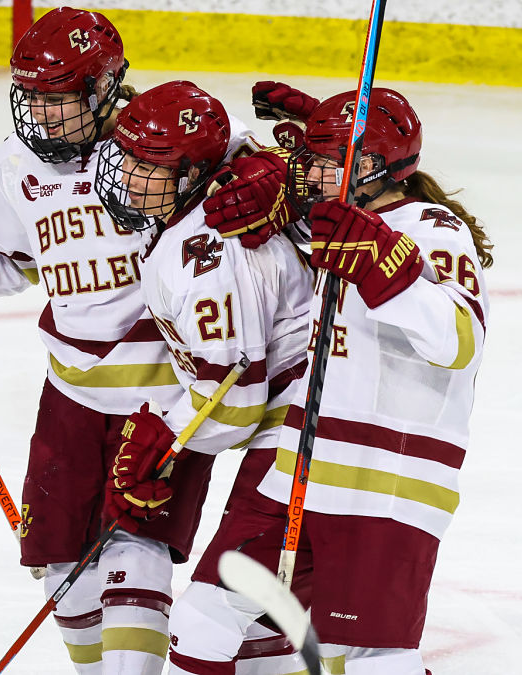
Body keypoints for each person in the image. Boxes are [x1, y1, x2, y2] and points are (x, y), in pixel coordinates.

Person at [0, 8, 288, 674]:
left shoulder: (159, 141)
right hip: (71, 398)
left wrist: (272, 181)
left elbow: (257, 169)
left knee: (134, 551)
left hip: (164, 401)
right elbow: (13, 258)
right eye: (30, 98)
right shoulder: (16, 165)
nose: (42, 118)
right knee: (63, 570)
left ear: (105, 89)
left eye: (58, 101)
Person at [164, 85, 495, 675]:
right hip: (300, 463)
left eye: (328, 161)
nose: (311, 174)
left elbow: (460, 341)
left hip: (385, 480)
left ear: (379, 164)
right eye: (314, 159)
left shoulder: (431, 226)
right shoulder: (333, 221)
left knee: (371, 664)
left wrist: (382, 262)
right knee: (201, 623)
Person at [92, 79, 316, 675]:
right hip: (306, 409)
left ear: (191, 175)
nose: (125, 176)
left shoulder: (201, 257)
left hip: (309, 422)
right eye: (128, 157)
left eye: (149, 166)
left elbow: (237, 407)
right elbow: (232, 138)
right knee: (276, 628)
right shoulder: (215, 191)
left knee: (205, 626)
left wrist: (165, 438)